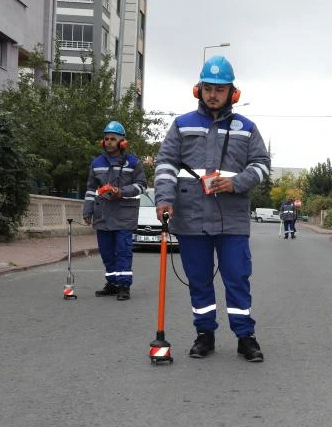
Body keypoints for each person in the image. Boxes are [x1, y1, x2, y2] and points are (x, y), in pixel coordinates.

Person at [153, 55, 271, 362]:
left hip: (231, 221)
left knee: (237, 278)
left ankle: (246, 337)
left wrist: (236, 183)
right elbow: (165, 165)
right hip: (191, 219)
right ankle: (204, 334)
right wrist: (164, 199)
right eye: (208, 88)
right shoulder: (181, 125)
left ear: (233, 92)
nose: (213, 94)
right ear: (198, 89)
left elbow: (262, 166)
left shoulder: (247, 128)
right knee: (199, 281)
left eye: (220, 89)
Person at [82, 121, 147, 301]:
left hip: (124, 215)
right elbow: (90, 190)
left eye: (113, 139)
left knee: (123, 251)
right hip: (102, 214)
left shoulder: (133, 162)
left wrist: (122, 191)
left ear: (122, 142)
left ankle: (124, 285)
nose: (109, 142)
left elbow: (142, 186)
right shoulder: (96, 163)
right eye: (106, 139)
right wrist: (87, 211)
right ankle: (112, 283)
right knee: (107, 252)